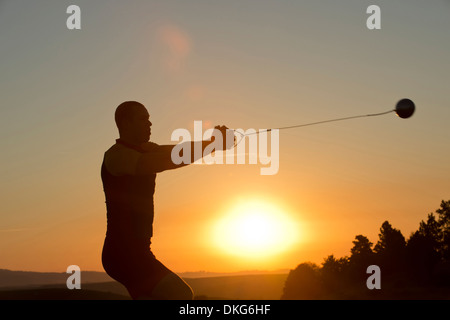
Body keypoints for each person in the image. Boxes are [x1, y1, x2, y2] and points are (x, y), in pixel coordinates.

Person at [101, 101, 233, 300]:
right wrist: (212, 145)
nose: (150, 123)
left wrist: (211, 144)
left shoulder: (146, 148)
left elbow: (177, 151)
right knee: (181, 294)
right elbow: (167, 161)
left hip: (137, 250)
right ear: (125, 123)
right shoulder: (117, 156)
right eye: (143, 119)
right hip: (122, 254)